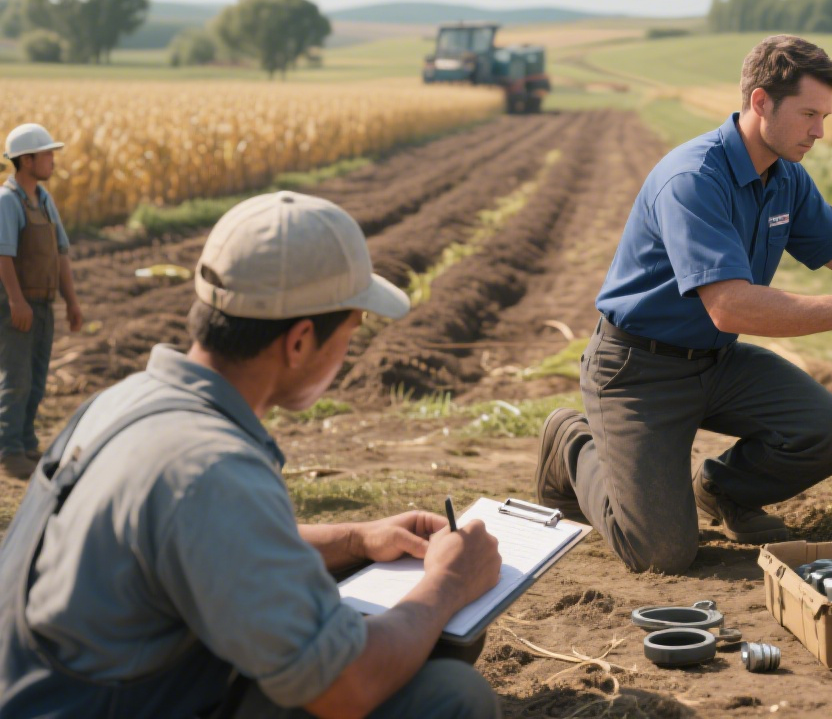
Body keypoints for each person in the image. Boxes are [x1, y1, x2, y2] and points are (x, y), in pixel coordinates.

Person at [0, 191, 504, 718]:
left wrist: (357, 538)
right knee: (450, 696)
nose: (350, 349)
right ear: (300, 341)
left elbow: (200, 542)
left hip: (57, 694)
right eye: (352, 330)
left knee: (430, 638)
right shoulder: (211, 470)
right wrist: (449, 583)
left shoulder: (122, 404)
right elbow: (346, 688)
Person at [536, 34, 832, 574]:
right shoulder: (694, 180)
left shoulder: (783, 178)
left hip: (716, 361)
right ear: (761, 102)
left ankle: (720, 489)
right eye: (808, 113)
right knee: (660, 552)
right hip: (639, 371)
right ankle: (570, 443)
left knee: (830, 431)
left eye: (824, 115)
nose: (820, 131)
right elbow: (730, 307)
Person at [0, 124, 83, 480]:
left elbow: (60, 253)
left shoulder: (44, 200)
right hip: (18, 306)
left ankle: (27, 441)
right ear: (26, 160)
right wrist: (16, 302)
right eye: (46, 154)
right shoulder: (7, 201)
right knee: (16, 378)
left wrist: (72, 301)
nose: (52, 160)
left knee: (36, 378)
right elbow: (3, 256)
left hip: (44, 304)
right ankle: (10, 451)